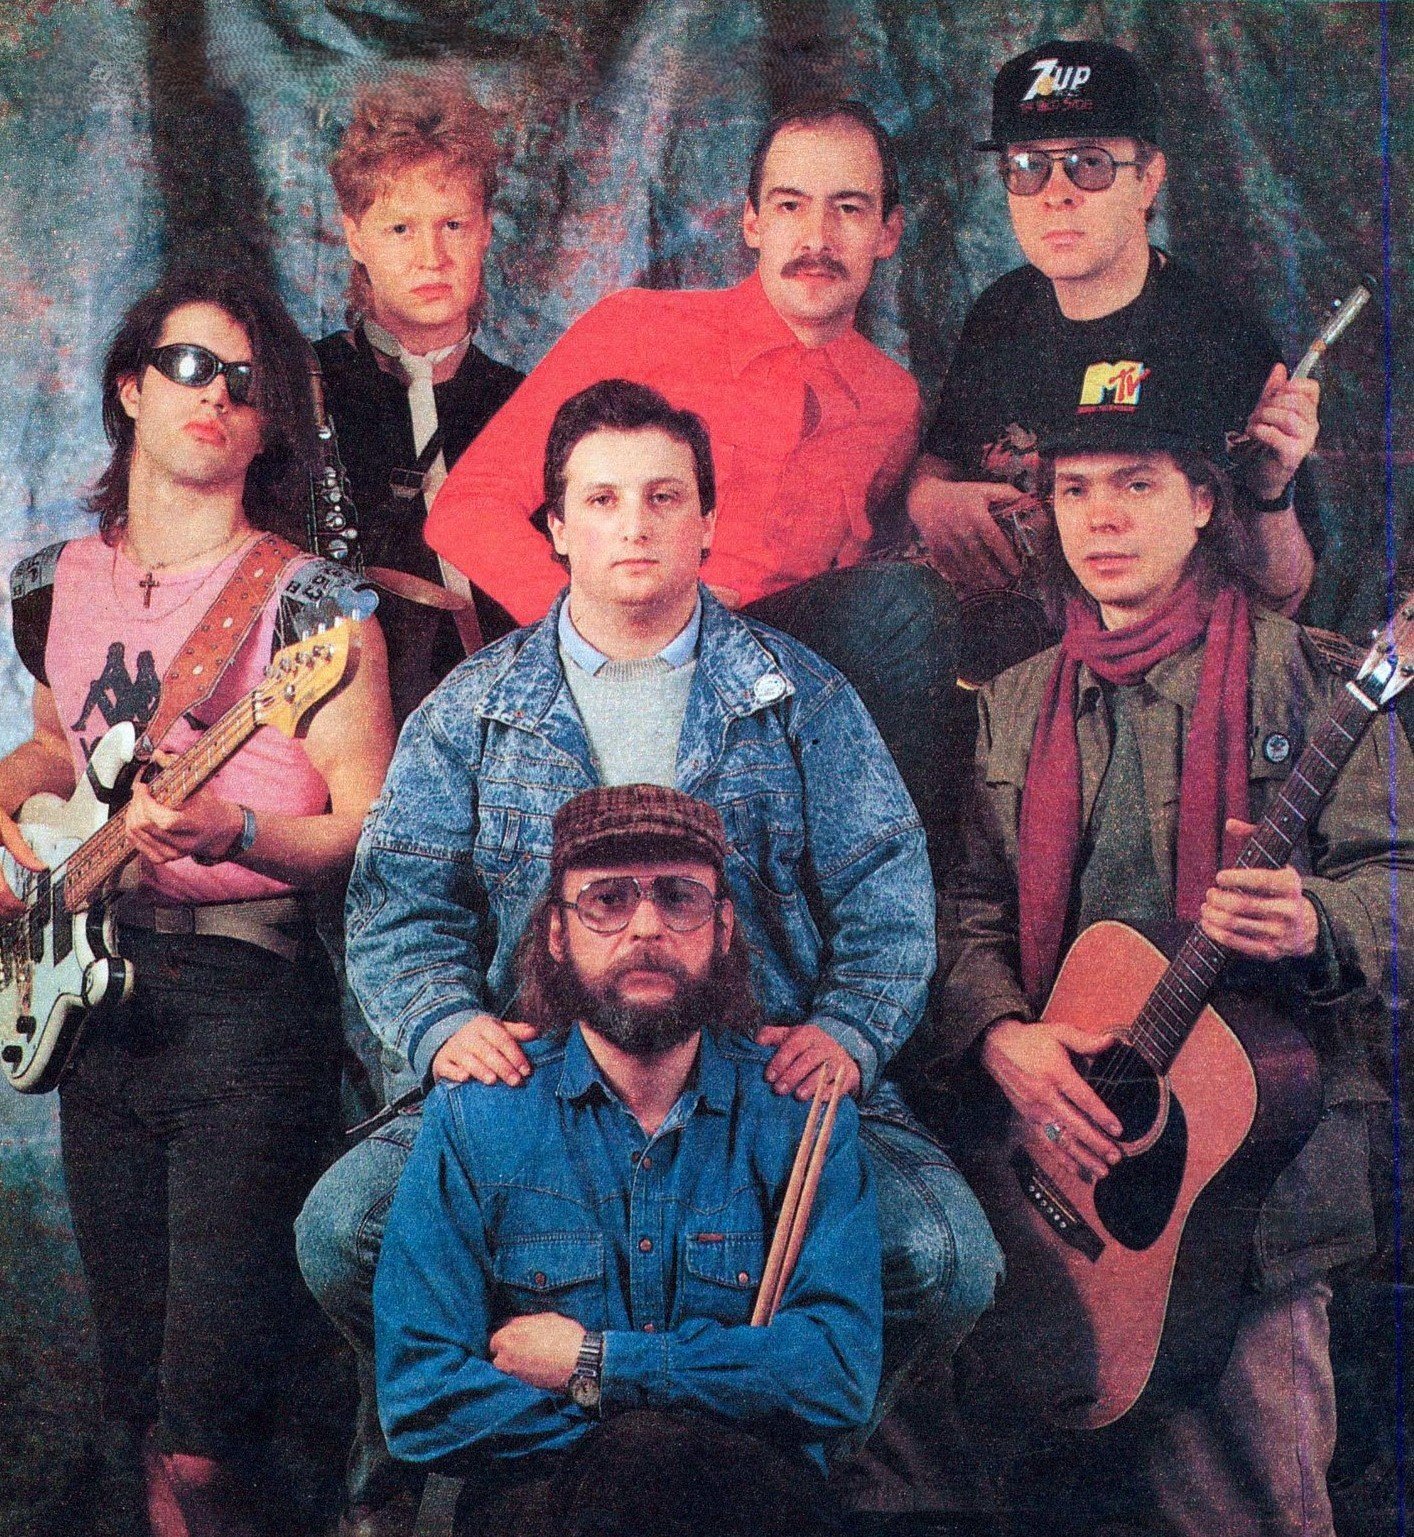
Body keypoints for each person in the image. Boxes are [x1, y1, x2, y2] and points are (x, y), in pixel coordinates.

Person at [296, 379, 1001, 1537]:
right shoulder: (472, 711)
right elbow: (394, 903)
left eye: (663, 497)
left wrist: (849, 1032)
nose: (634, 524)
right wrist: (438, 1025)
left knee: (940, 1255)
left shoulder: (800, 699)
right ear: (555, 526)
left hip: (764, 1091)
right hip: (532, 1092)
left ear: (707, 520)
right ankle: (463, 1473)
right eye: (602, 499)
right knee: (343, 1231)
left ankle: (769, 1466)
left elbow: (885, 893)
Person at [933, 367, 1410, 1534]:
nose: (1101, 517)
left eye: (1136, 484)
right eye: (1075, 488)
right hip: (1054, 1166)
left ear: (1202, 501)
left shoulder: (1317, 678)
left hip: (1249, 1197)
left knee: (1250, 1509)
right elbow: (965, 909)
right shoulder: (1010, 702)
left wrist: (1315, 920)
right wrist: (999, 1035)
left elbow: (1402, 881)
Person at [1, 269, 395, 1535]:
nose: (214, 395)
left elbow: (366, 825)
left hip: (245, 1004)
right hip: (90, 997)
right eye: (186, 365)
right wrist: (6, 803)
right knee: (138, 1403)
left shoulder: (314, 605)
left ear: (270, 423)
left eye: (244, 380)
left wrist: (243, 829)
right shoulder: (51, 581)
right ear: (129, 385)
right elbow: (57, 741)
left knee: (212, 1433)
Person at [421, 95, 957, 866]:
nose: (816, 238)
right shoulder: (640, 328)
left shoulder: (892, 400)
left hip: (782, 693)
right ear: (752, 223)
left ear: (888, 232)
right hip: (633, 660)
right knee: (903, 609)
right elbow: (466, 509)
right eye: (790, 206)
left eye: (848, 208)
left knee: (907, 613)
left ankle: (882, 890)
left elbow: (852, 600)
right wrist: (617, 633)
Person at [375, 783, 881, 1537]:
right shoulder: (477, 1118)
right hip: (547, 1510)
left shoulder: (801, 1115)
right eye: (607, 900)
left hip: (747, 1511)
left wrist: (598, 1365)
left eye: (679, 898)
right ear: (555, 932)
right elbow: (420, 1396)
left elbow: (837, 1374)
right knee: (638, 1460)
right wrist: (650, 1434)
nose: (646, 927)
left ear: (723, 927)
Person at [908, 39, 1321, 630]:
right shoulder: (1001, 311)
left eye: (1091, 163)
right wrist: (927, 498)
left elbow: (1283, 596)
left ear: (1149, 180)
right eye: (1027, 167)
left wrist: (1269, 491)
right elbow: (938, 464)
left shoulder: (1220, 337)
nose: (1057, 194)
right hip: (1004, 633)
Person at [318, 73, 523, 725]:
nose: (431, 256)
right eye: (401, 228)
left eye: (452, 224)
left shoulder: (527, 403)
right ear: (356, 236)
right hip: (344, 724)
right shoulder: (304, 389)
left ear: (485, 229)